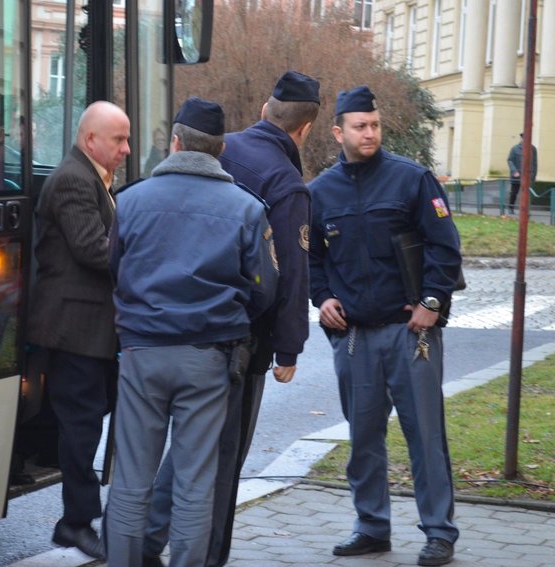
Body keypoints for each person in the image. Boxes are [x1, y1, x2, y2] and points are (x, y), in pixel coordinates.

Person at [142, 70, 319, 567]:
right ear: (304, 130)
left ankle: (146, 536)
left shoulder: (218, 151)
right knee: (221, 462)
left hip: (169, 324)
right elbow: (288, 275)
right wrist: (288, 348)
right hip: (239, 341)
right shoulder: (286, 184)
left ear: (265, 111)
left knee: (183, 447)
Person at [104, 97, 279, 567]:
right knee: (194, 483)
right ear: (220, 150)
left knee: (131, 482)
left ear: (175, 142)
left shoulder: (131, 199)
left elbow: (113, 269)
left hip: (142, 352)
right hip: (209, 356)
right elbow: (265, 288)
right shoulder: (246, 209)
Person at [307, 85, 463, 567]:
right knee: (364, 439)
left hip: (409, 333)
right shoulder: (319, 192)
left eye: (374, 124)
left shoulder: (412, 180)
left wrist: (433, 302)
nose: (369, 132)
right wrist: (323, 297)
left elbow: (445, 247)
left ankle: (438, 532)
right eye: (360, 126)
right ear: (339, 131)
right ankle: (372, 527)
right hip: (354, 337)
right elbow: (311, 259)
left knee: (425, 436)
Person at [27, 100, 131, 560]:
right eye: (119, 140)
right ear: (91, 141)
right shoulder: (73, 178)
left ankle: (75, 510)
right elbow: (93, 250)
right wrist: (146, 253)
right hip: (74, 327)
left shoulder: (96, 178)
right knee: (82, 427)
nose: (126, 149)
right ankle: (75, 523)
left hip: (91, 329)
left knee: (87, 418)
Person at [506, 132, 537, 215]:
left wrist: (533, 176)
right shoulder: (515, 149)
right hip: (517, 175)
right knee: (514, 192)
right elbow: (510, 160)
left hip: (528, 175)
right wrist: (514, 171)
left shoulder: (533, 149)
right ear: (522, 139)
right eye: (524, 138)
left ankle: (525, 210)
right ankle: (510, 207)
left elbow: (534, 163)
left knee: (526, 194)